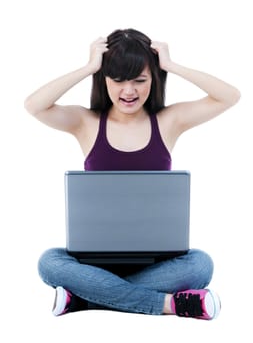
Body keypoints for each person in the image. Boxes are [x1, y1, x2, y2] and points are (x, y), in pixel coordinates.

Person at [24, 28, 240, 319]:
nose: (129, 91)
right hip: (95, 262)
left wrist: (171, 66)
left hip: (156, 262)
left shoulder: (168, 122)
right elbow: (34, 105)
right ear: (104, 80)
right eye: (118, 80)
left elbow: (229, 96)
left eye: (140, 80)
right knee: (48, 262)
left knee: (201, 265)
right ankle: (167, 304)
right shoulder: (85, 123)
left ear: (154, 79)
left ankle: (86, 298)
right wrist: (89, 67)